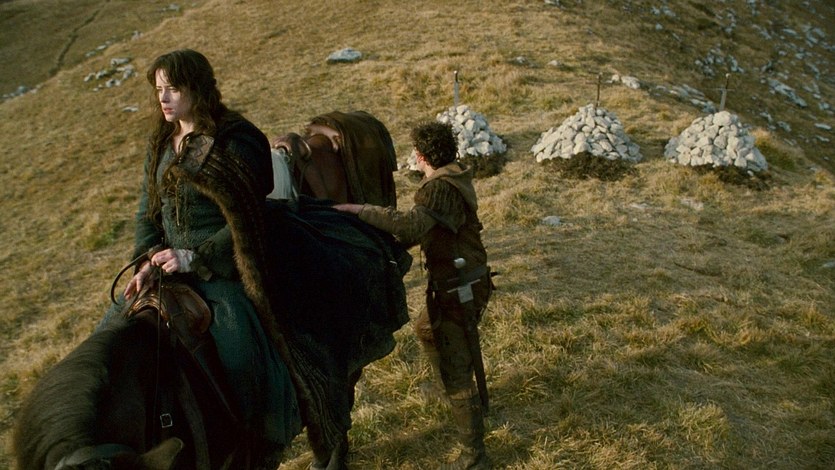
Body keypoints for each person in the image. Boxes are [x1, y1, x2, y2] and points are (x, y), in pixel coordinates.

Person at [108, 49, 301, 468]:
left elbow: (249, 216)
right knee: (111, 336)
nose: (163, 99)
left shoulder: (237, 139)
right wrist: (146, 261)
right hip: (165, 270)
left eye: (173, 89)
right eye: (159, 90)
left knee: (239, 354)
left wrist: (194, 257)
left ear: (198, 89)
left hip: (222, 267)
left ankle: (257, 442)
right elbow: (147, 211)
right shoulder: (161, 141)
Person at [334, 121, 493, 470]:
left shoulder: (439, 189)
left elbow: (410, 226)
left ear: (421, 156)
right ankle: (447, 393)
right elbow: (421, 231)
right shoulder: (451, 178)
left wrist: (360, 210)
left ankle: (474, 456)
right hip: (457, 280)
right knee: (426, 330)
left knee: (457, 371)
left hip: (460, 287)